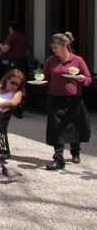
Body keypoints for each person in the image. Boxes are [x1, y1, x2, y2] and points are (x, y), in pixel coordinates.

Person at [42, 32, 91, 171]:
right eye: (52, 47)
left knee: (74, 126)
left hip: (73, 99)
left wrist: (82, 79)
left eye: (56, 47)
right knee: (56, 128)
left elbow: (88, 79)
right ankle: (58, 159)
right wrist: (41, 81)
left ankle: (75, 151)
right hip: (55, 98)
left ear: (65, 45)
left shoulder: (78, 60)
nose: (53, 50)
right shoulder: (51, 60)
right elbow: (45, 77)